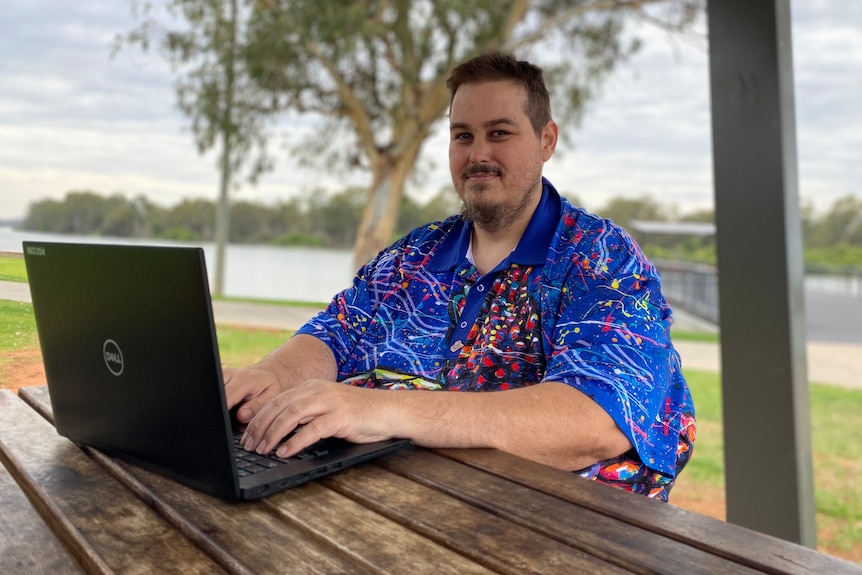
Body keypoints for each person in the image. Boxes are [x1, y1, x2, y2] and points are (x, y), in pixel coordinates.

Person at [224, 52, 695, 500]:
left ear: (547, 140)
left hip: (558, 527)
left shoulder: (600, 258)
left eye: (500, 133)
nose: (478, 154)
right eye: (463, 135)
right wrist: (270, 376)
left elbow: (593, 419)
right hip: (392, 503)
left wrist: (381, 410)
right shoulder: (413, 256)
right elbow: (337, 332)